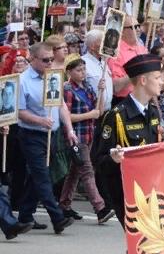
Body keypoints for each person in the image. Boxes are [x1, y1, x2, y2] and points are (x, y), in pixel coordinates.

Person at [92, 54, 164, 254]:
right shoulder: (117, 117)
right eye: (157, 77)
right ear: (141, 81)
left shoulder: (153, 112)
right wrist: (113, 158)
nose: (162, 81)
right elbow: (98, 161)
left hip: (153, 199)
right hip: (129, 201)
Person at [15, 42, 75, 233]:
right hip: (31, 135)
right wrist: (40, 121)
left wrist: (70, 129)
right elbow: (20, 112)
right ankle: (57, 217)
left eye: (51, 59)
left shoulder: (53, 77)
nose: (50, 63)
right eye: (45, 60)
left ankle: (25, 215)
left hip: (52, 134)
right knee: (42, 176)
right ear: (33, 59)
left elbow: (61, 105)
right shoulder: (22, 81)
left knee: (40, 176)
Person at [60, 55, 112, 223]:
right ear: (69, 71)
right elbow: (66, 115)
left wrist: (101, 92)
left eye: (84, 69)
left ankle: (64, 205)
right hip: (76, 135)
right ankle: (100, 207)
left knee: (75, 171)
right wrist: (89, 114)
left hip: (89, 133)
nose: (83, 73)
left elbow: (100, 110)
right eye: (78, 70)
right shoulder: (67, 89)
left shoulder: (88, 87)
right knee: (87, 170)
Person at [107, 17, 147, 107]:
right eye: (133, 27)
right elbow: (116, 87)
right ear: (122, 31)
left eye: (138, 26)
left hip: (143, 99)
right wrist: (136, 70)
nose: (138, 29)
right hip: (125, 102)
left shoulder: (142, 48)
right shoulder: (115, 51)